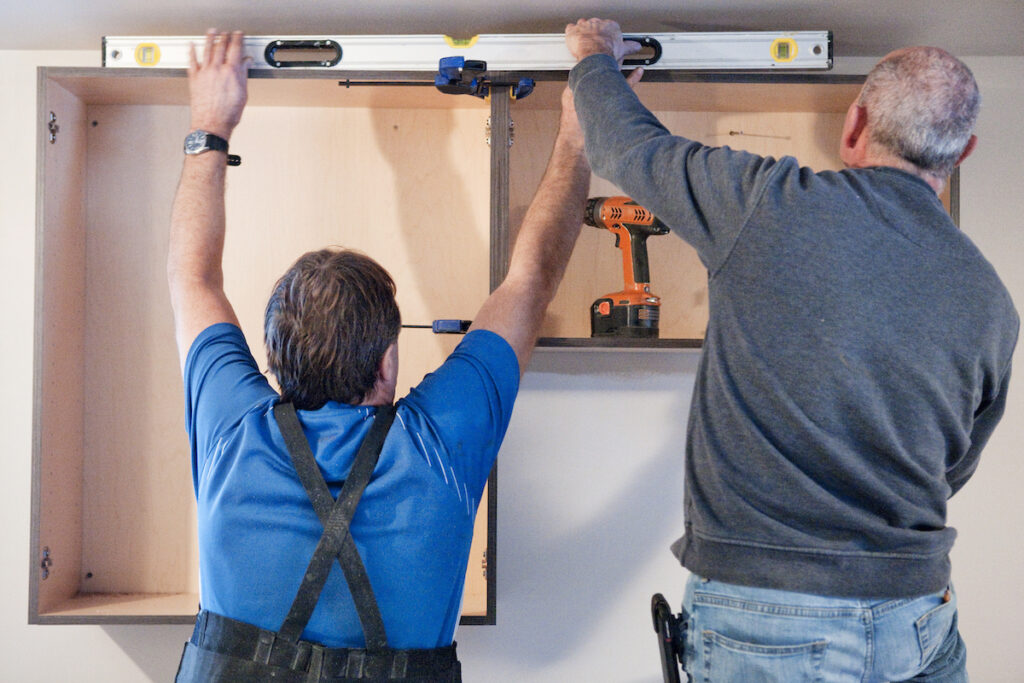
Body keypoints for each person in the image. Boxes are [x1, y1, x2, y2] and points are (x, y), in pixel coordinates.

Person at [565, 18, 1018, 683]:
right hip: (915, 615)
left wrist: (593, 59)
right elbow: (953, 467)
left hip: (768, 618)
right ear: (963, 152)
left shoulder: (766, 204)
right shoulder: (992, 302)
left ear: (855, 123)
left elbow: (624, 144)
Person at [169, 29, 591, 682]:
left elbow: (191, 278)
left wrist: (209, 124)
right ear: (388, 363)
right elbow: (529, 280)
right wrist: (581, 126)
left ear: (274, 359)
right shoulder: (437, 443)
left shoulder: (231, 430)